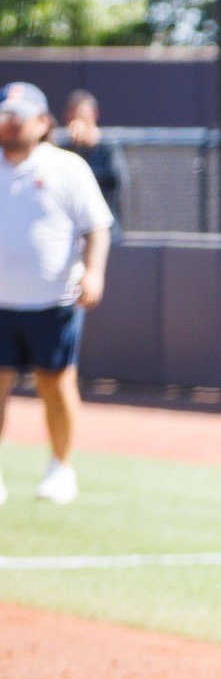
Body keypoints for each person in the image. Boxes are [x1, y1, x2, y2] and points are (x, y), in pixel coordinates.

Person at [0, 82, 111, 506]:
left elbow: (97, 225)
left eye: (20, 115)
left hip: (53, 301)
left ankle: (61, 468)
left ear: (43, 121)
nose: (10, 124)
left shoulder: (66, 167)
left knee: (56, 383)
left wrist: (95, 273)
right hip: (0, 303)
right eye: (4, 116)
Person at [58, 90, 127, 234]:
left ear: (94, 114)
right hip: (72, 230)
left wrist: (91, 145)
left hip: (105, 227)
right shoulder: (63, 148)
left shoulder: (108, 146)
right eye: (73, 116)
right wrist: (75, 147)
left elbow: (117, 180)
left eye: (82, 116)